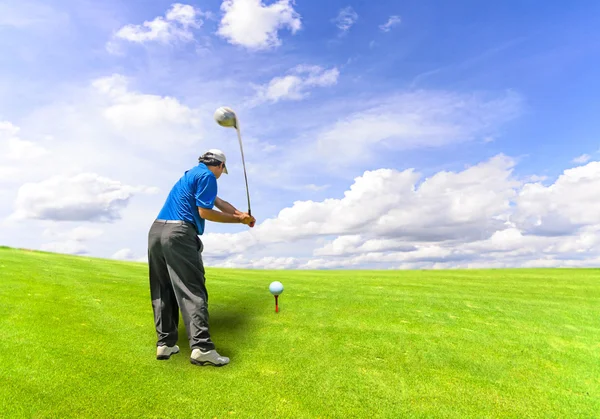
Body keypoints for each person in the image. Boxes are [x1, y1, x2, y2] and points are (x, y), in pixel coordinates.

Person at [147, 149, 255, 367]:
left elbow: (218, 202)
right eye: (222, 171)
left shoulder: (192, 174)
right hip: (179, 234)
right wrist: (239, 222)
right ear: (220, 166)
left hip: (156, 232)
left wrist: (241, 214)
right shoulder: (208, 177)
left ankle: (165, 343)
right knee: (192, 290)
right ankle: (202, 348)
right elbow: (205, 212)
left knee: (163, 288)